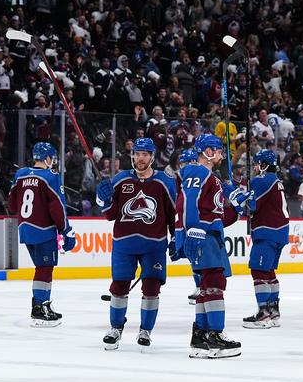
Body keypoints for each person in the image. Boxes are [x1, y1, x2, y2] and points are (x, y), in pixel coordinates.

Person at [95, 138, 176, 350]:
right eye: (137, 154)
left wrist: (177, 237)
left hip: (154, 245)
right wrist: (102, 200)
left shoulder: (164, 182)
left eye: (145, 154)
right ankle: (115, 328)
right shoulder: (121, 180)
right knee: (119, 286)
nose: (140, 158)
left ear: (152, 156)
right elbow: (111, 215)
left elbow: (172, 214)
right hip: (124, 244)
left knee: (151, 287)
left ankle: (145, 331)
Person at [174, 133, 249, 359]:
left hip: (209, 234)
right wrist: (193, 229)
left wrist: (236, 208)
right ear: (207, 150)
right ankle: (215, 335)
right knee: (214, 281)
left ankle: (200, 336)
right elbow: (187, 202)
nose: (220, 154)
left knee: (208, 283)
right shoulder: (197, 171)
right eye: (216, 149)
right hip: (203, 236)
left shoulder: (210, 176)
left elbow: (216, 217)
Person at [7, 142, 77, 327]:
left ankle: (43, 304)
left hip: (25, 229)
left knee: (41, 267)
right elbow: (57, 207)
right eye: (52, 158)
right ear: (47, 158)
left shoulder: (20, 174)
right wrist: (66, 231)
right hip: (44, 230)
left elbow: (12, 204)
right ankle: (39, 308)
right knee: (45, 268)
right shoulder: (50, 177)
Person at [241, 149, 290, 329]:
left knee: (258, 270)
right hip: (279, 232)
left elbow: (250, 207)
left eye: (256, 163)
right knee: (268, 272)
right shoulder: (275, 180)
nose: (254, 167)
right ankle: (273, 311)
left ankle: (264, 313)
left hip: (267, 231)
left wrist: (238, 193)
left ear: (263, 165)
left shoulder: (262, 180)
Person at [172, 147, 202, 305]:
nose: (182, 167)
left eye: (185, 163)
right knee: (192, 257)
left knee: (199, 256)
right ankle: (199, 286)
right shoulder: (180, 180)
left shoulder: (200, 179)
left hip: (196, 224)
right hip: (182, 224)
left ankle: (203, 287)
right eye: (181, 164)